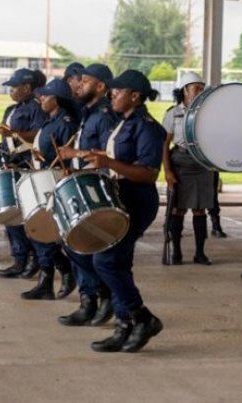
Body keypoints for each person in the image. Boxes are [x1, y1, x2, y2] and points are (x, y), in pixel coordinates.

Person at [81, 69, 166, 353]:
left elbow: (148, 174)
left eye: (118, 92)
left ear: (135, 96)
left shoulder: (148, 128)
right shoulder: (124, 122)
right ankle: (124, 325)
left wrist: (109, 163)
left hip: (137, 199)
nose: (112, 95)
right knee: (118, 263)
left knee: (104, 261)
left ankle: (142, 316)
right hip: (121, 196)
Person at [56, 63, 119, 327]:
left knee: (86, 246)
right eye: (79, 81)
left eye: (85, 81)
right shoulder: (90, 113)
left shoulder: (104, 115)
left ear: (101, 86)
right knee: (73, 244)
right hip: (83, 182)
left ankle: (101, 298)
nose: (79, 85)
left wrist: (75, 155)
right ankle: (89, 299)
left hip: (98, 189)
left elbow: (111, 155)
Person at [20, 78, 79, 300]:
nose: (40, 98)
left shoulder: (65, 123)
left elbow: (69, 157)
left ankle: (63, 272)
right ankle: (53, 275)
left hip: (54, 181)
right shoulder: (50, 121)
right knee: (38, 230)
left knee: (48, 231)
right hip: (43, 177)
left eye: (45, 96)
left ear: (57, 99)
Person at [0, 68, 47, 279]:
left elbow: (39, 136)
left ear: (27, 87)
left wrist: (13, 133)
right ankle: (19, 258)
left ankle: (35, 258)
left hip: (26, 165)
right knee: (10, 214)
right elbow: (5, 141)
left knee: (26, 216)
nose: (11, 92)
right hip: (9, 164)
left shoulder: (37, 108)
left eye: (14, 88)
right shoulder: (11, 110)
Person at [162, 72, 217, 265]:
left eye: (202, 89)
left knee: (200, 209)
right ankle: (176, 252)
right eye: (196, 88)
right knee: (178, 209)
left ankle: (200, 253)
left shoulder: (208, 112)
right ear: (184, 91)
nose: (200, 92)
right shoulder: (173, 113)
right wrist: (167, 171)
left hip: (202, 163)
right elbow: (165, 144)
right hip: (180, 162)